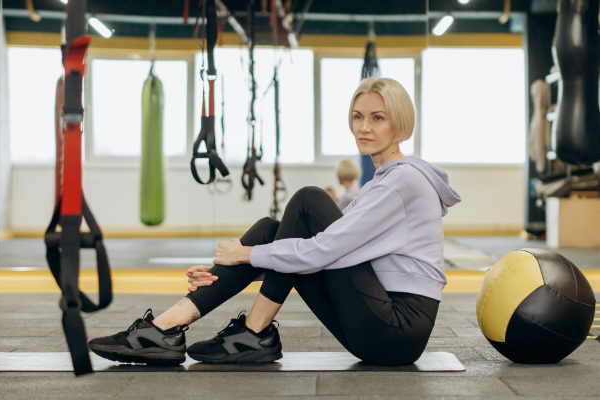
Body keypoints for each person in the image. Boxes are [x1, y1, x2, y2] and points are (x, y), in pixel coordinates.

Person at [88, 77, 461, 366]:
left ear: (400, 123)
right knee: (272, 230)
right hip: (379, 323)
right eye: (358, 117)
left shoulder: (404, 181)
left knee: (307, 201)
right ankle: (170, 326)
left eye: (377, 118)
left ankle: (251, 332)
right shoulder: (383, 183)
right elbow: (304, 256)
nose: (364, 127)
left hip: (395, 329)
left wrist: (244, 257)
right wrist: (224, 270)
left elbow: (324, 251)